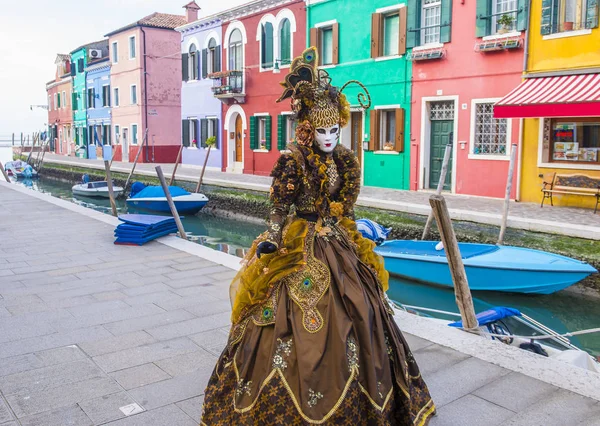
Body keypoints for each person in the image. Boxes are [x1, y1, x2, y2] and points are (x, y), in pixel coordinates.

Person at [200, 47, 435, 425]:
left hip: (338, 241)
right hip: (299, 242)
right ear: (309, 127)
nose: (329, 138)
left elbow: (345, 207)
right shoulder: (292, 161)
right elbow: (279, 205)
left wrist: (352, 235)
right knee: (287, 314)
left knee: (362, 307)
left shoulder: (343, 161)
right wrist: (273, 238)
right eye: (322, 130)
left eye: (335, 130)